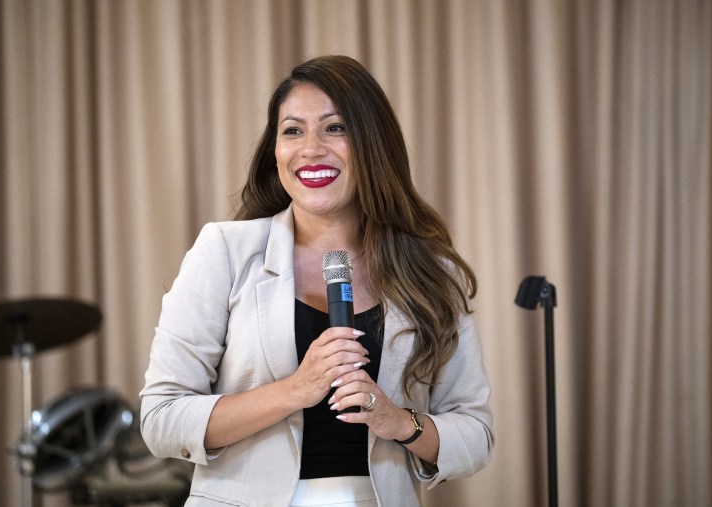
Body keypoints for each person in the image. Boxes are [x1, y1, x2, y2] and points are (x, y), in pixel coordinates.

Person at [140, 55, 494, 507]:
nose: (311, 149)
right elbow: (161, 419)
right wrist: (295, 390)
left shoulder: (430, 271)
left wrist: (399, 421)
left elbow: (476, 435)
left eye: (335, 128)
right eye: (292, 130)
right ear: (276, 151)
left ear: (372, 144)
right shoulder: (225, 252)